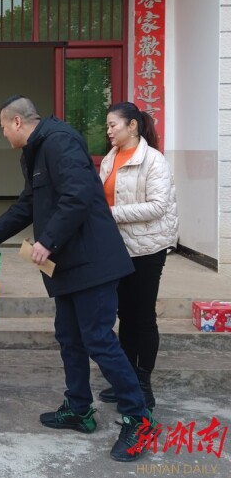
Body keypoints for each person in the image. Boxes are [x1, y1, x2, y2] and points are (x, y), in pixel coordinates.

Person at [0, 95, 155, 462]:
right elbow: (28, 203)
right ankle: (79, 408)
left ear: (18, 123)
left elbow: (79, 195)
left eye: (3, 127)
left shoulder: (59, 141)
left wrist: (48, 240)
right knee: (70, 337)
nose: (3, 134)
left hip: (92, 263)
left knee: (99, 340)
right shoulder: (36, 152)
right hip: (68, 267)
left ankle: (138, 419)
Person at [97, 102, 179, 410]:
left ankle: (143, 383)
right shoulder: (110, 159)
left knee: (142, 317)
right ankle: (126, 379)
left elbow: (158, 206)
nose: (109, 132)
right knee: (125, 315)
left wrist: (111, 213)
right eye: (107, 126)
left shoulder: (153, 161)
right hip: (118, 249)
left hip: (147, 249)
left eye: (113, 125)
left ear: (133, 126)